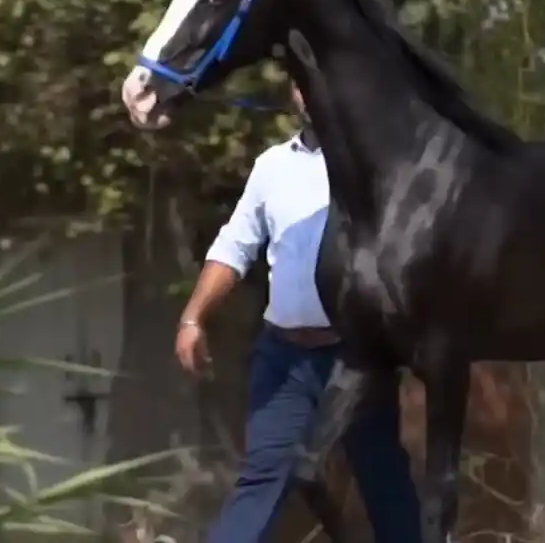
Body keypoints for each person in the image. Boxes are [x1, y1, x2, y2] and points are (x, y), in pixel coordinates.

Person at [175, 82, 422, 543]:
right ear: (293, 92)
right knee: (261, 477)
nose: (312, 89)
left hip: (355, 359)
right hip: (284, 357)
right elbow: (236, 244)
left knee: (383, 478)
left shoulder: (375, 164)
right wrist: (194, 317)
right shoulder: (272, 166)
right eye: (301, 79)